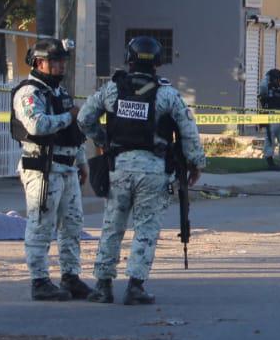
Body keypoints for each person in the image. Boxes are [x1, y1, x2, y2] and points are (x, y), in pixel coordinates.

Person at [77, 36, 204, 306]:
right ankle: (135, 286)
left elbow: (84, 118)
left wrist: (103, 140)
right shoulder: (168, 94)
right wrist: (196, 163)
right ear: (157, 62)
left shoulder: (112, 89)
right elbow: (188, 132)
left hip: (119, 167)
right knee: (146, 228)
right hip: (154, 170)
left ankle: (103, 286)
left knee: (112, 226)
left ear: (129, 59)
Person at [10, 38, 91, 302]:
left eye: (62, 61)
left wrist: (81, 161)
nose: (60, 66)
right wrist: (69, 117)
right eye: (54, 61)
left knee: (72, 225)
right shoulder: (29, 93)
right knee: (41, 225)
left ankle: (71, 276)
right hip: (43, 168)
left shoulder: (59, 92)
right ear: (38, 62)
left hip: (67, 168)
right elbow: (36, 125)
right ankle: (40, 281)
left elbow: (74, 132)